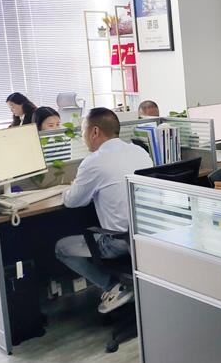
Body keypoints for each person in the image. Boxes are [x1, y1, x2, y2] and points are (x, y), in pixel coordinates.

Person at [55, 108, 152, 313]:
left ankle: (113, 287)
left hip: (118, 242)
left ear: (95, 132)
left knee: (61, 248)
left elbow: (73, 201)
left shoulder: (93, 162)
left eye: (83, 131)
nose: (83, 137)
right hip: (147, 236)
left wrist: (67, 190)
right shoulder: (139, 151)